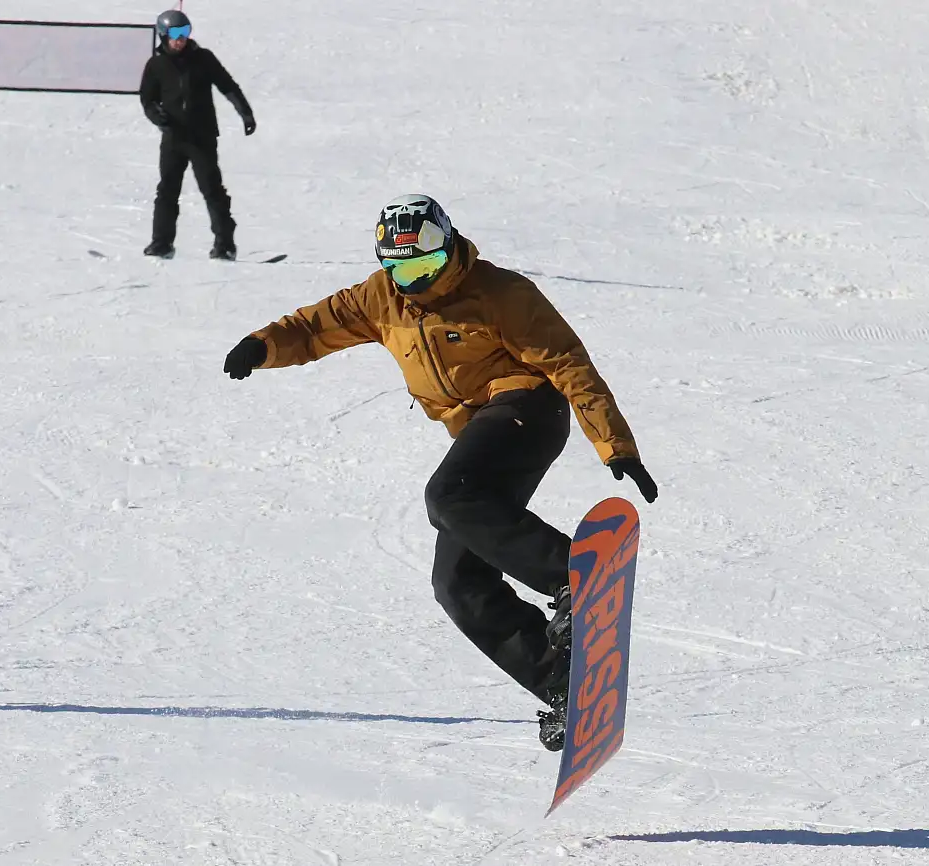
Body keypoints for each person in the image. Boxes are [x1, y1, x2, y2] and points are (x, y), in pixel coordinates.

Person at [222, 194, 658, 750]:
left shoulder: (501, 293)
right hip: (476, 431)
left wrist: (613, 442)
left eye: (426, 266)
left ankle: (575, 576)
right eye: (401, 269)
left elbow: (568, 363)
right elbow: (313, 328)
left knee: (447, 495)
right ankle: (563, 682)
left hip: (527, 409)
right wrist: (262, 346)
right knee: (457, 582)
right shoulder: (381, 298)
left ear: (448, 245)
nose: (416, 282)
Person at [139, 10, 256, 261]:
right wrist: (155, 114)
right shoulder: (156, 65)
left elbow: (228, 86)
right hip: (173, 137)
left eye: (185, 33)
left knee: (212, 189)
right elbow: (147, 98)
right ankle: (162, 243)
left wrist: (245, 113)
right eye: (175, 34)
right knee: (167, 190)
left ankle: (224, 244)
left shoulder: (203, 59)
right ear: (163, 35)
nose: (181, 39)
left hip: (201, 136)